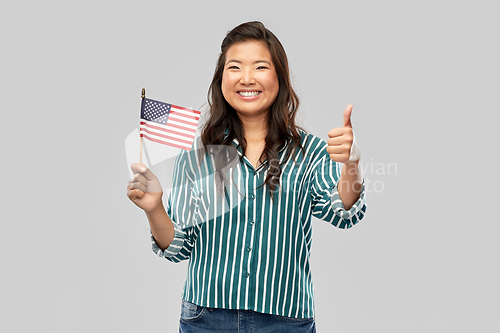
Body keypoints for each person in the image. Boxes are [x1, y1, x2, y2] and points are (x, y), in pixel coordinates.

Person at [127, 21, 366, 333]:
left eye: (260, 66)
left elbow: (343, 211)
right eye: (235, 67)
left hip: (285, 321)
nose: (247, 78)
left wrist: (352, 163)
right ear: (222, 79)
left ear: (279, 77)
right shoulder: (198, 157)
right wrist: (154, 208)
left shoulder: (308, 152)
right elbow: (179, 247)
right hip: (206, 319)